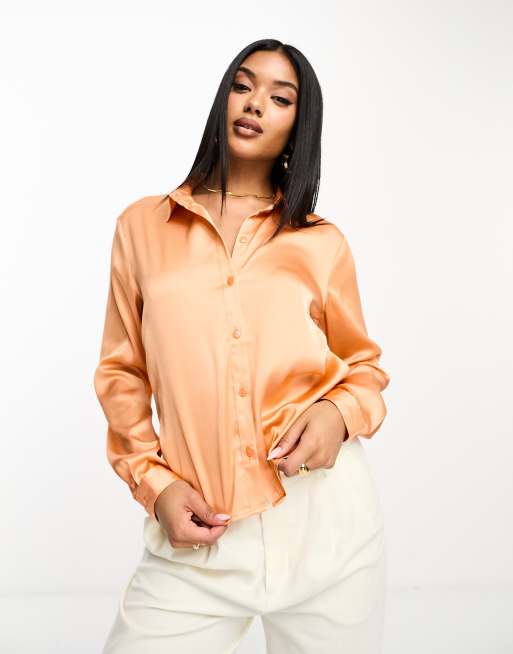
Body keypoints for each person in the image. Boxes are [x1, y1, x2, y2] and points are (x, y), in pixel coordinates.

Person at [93, 38, 391, 654]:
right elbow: (122, 373)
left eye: (281, 98)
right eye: (243, 85)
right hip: (199, 537)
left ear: (299, 127)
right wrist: (154, 485)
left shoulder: (322, 243)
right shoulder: (142, 227)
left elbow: (363, 370)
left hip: (327, 532)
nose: (255, 103)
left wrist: (337, 415)